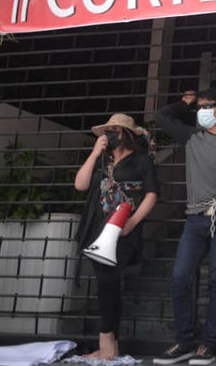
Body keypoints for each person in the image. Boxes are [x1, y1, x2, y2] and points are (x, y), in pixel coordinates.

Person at [153, 88, 216, 366]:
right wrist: (184, 103)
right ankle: (184, 341)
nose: (201, 112)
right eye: (199, 108)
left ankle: (207, 345)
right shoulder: (192, 138)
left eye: (206, 107)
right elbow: (161, 117)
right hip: (195, 219)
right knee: (180, 277)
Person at [74, 113, 158, 360]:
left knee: (107, 281)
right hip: (97, 229)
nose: (109, 134)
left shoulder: (141, 161)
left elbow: (152, 194)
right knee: (106, 285)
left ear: (127, 134)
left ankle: (106, 344)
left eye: (115, 130)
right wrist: (94, 153)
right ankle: (109, 345)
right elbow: (80, 184)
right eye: (107, 130)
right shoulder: (102, 160)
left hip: (123, 230)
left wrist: (132, 222)